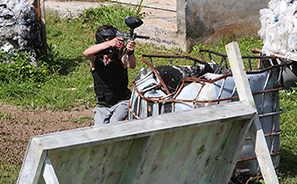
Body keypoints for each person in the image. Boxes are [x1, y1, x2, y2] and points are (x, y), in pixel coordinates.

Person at [83, 24, 136, 125]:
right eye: (110, 39)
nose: (115, 43)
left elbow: (131, 65)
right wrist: (109, 44)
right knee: (99, 128)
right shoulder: (95, 59)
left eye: (114, 39)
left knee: (114, 123)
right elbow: (86, 53)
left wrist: (130, 52)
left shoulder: (120, 56)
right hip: (103, 105)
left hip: (122, 102)